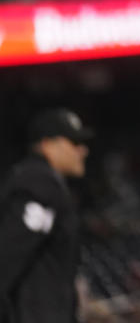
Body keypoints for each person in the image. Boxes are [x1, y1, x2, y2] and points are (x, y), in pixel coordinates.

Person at [0, 108, 93, 323]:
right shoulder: (38, 183)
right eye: (74, 143)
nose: (83, 150)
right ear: (48, 144)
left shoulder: (39, 180)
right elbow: (8, 256)